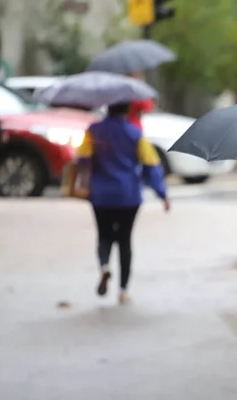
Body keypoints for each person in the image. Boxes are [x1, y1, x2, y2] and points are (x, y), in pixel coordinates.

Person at [76, 102, 170, 304]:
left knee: (104, 235)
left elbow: (82, 158)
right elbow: (150, 165)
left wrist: (83, 182)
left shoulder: (94, 131)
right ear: (128, 110)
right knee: (125, 240)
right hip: (128, 196)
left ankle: (104, 266)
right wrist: (162, 194)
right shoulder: (135, 134)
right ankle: (123, 290)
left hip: (101, 194)